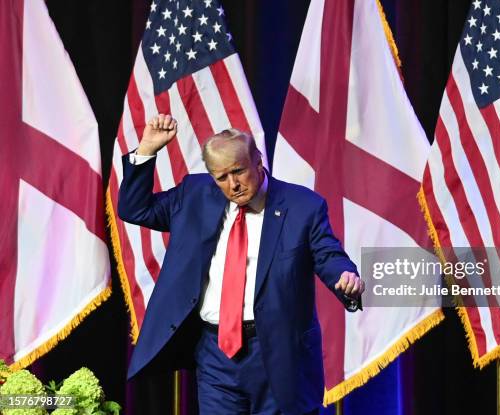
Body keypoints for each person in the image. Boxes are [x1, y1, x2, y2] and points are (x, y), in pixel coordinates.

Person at [118, 114, 365, 415]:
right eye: (221, 177)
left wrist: (345, 277)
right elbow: (135, 209)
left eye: (238, 171)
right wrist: (147, 150)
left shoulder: (302, 206)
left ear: (258, 161)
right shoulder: (195, 195)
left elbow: (328, 255)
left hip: (277, 352)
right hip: (215, 354)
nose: (233, 184)